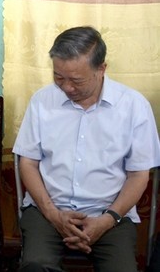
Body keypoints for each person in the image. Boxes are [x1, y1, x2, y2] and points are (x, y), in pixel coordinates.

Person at [13, 26, 160, 271]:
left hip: (111, 214)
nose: (67, 87)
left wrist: (107, 220)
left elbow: (138, 175)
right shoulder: (42, 100)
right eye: (59, 77)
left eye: (77, 80)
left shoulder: (134, 106)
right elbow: (28, 163)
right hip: (48, 210)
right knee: (35, 266)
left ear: (101, 69)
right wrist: (53, 214)